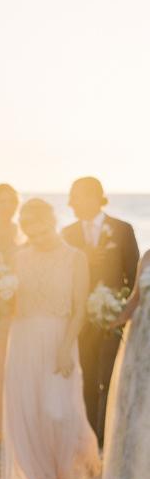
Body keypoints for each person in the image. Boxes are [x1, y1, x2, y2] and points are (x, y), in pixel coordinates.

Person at [2, 199, 100, 479]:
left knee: (59, 409)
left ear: (52, 223)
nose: (37, 239)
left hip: (59, 337)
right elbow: (12, 303)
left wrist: (66, 347)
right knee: (27, 407)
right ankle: (37, 473)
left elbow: (80, 308)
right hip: (23, 339)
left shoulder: (75, 258)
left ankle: (67, 473)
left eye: (42, 232)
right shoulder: (18, 256)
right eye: (31, 234)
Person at [62, 177, 139, 445]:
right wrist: (84, 257)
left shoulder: (123, 229)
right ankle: (89, 440)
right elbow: (61, 277)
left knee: (110, 379)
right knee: (84, 379)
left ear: (95, 197)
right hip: (79, 322)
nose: (73, 202)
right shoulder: (68, 234)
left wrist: (122, 311)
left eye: (78, 196)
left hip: (113, 319)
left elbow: (134, 276)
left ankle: (109, 440)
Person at [102, 250, 150, 479]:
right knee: (136, 400)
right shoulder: (147, 257)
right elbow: (135, 298)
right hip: (141, 337)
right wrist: (111, 317)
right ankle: (131, 477)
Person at [0, 184, 24, 442]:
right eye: (2, 201)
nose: (7, 206)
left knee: (16, 368)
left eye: (11, 201)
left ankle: (15, 424)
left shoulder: (23, 234)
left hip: (19, 309)